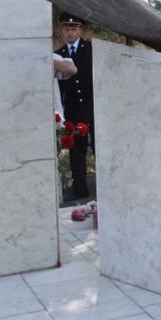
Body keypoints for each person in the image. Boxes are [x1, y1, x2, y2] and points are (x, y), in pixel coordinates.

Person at [56, 13, 95, 202]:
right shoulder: (60, 55)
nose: (70, 33)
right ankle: (80, 190)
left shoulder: (90, 49)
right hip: (74, 110)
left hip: (93, 108)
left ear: (80, 30)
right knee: (77, 153)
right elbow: (61, 87)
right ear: (62, 31)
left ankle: (105, 186)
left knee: (98, 147)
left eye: (73, 29)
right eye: (67, 29)